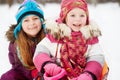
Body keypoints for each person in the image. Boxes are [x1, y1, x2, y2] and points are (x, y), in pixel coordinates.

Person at [33, 0, 108, 80]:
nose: (78, 19)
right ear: (64, 17)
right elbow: (40, 52)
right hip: (58, 76)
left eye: (82, 15)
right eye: (72, 15)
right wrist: (49, 66)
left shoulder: (90, 37)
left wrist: (88, 75)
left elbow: (96, 57)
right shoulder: (55, 35)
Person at [0, 0, 45, 80]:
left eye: (35, 18)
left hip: (47, 73)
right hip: (27, 75)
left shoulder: (49, 37)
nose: (31, 23)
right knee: (8, 77)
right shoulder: (16, 43)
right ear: (20, 25)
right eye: (26, 20)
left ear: (41, 21)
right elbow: (17, 67)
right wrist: (31, 73)